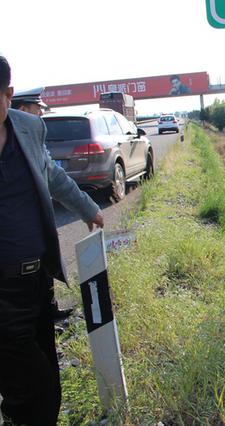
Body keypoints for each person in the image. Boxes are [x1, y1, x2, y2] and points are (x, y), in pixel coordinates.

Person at [0, 55, 104, 426]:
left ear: (7, 95)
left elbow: (54, 178)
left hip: (37, 279)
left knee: (46, 381)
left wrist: (88, 208)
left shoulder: (28, 129)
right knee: (33, 380)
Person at [11, 87, 74, 321]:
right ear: (22, 109)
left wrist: (87, 209)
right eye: (38, 110)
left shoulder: (31, 134)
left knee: (43, 265)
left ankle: (49, 311)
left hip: (34, 229)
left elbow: (54, 176)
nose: (40, 116)